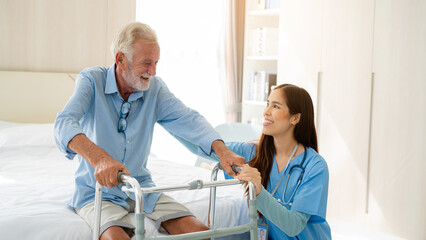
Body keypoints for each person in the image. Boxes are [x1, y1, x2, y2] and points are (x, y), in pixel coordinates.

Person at [54, 22, 244, 240]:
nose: (152, 71)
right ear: (120, 59)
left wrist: (223, 151)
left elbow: (188, 119)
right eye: (146, 63)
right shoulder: (91, 80)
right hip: (97, 193)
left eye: (155, 63)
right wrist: (100, 159)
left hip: (142, 190)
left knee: (201, 234)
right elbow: (64, 122)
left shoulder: (155, 88)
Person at [230, 84, 331, 239]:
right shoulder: (254, 152)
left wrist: (259, 191)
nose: (266, 112)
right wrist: (178, 117)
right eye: (267, 104)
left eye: (275, 106)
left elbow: (294, 226)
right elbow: (207, 147)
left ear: (295, 118)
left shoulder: (315, 166)